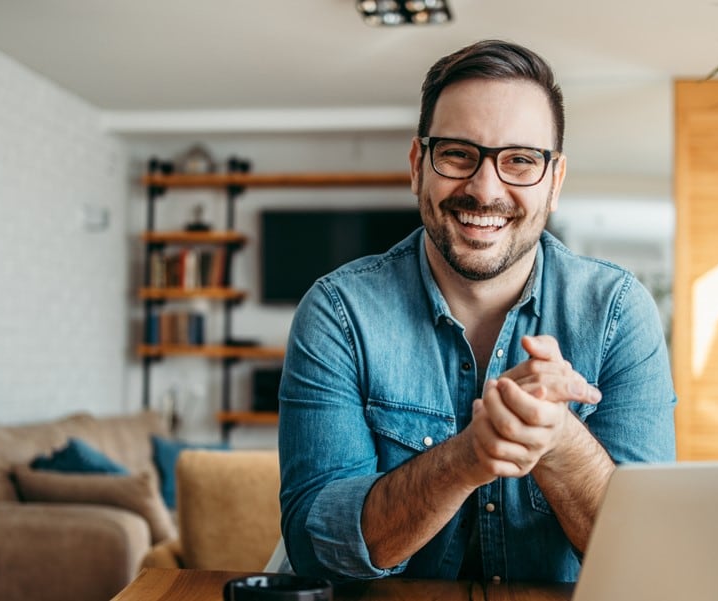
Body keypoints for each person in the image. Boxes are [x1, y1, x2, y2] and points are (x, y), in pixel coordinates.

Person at [277, 39, 676, 583]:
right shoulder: (338, 312)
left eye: (519, 160)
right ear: (419, 165)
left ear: (554, 181)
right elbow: (318, 552)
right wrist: (467, 456)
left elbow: (650, 559)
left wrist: (559, 440)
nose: (485, 189)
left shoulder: (618, 313)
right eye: (459, 154)